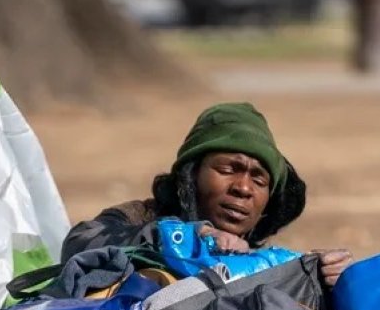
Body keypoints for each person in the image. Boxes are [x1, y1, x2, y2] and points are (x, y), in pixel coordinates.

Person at [61, 102, 353, 286]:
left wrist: (329, 280)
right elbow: (79, 244)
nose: (243, 188)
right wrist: (184, 239)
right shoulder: (141, 218)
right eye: (229, 169)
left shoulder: (261, 264)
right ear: (191, 176)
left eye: (259, 180)